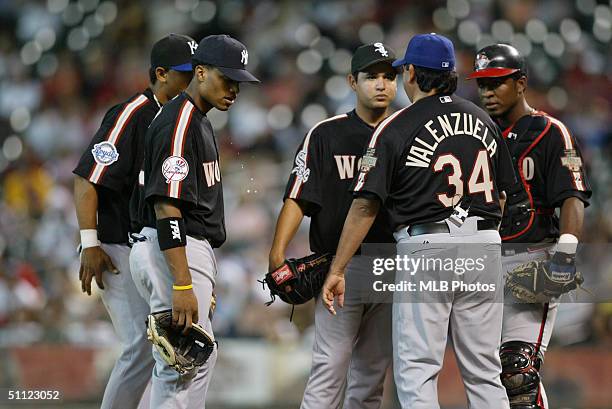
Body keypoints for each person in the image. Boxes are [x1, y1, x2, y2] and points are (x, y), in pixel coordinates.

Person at [322, 33, 515, 409]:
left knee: (417, 368)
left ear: (411, 72)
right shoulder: (483, 120)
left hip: (427, 245)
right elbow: (504, 195)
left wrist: (338, 268)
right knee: (485, 369)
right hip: (485, 244)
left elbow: (365, 207)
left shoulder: (396, 126)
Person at [128, 34, 260, 408]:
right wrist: (183, 281)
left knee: (191, 360)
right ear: (200, 72)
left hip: (178, 250)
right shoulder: (181, 121)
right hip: (172, 247)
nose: (234, 89)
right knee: (181, 368)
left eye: (239, 82)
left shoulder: (194, 120)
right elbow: (167, 207)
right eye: (226, 78)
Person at [269, 43, 398, 409]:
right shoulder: (327, 134)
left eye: (389, 76)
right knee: (330, 368)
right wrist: (278, 251)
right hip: (341, 268)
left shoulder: (405, 131)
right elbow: (298, 196)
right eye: (371, 76)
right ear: (351, 82)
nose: (381, 84)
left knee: (371, 377)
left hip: (393, 264)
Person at [72, 33, 196, 409]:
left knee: (160, 349)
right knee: (141, 348)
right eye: (185, 73)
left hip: (148, 246)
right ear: (161, 73)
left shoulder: (183, 119)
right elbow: (86, 178)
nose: (192, 79)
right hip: (115, 245)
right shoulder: (132, 113)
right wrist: (90, 244)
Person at [468, 43, 591, 409]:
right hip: (482, 262)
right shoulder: (473, 135)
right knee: (491, 375)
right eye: (483, 85)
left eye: (498, 83)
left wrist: (565, 254)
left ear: (521, 83)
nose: (488, 92)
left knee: (518, 369)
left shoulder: (551, 132)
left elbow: (572, 196)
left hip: (532, 256)